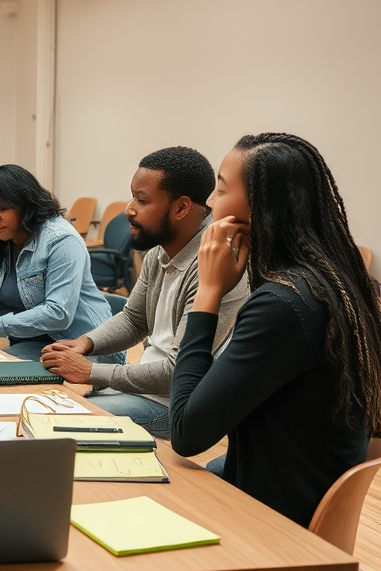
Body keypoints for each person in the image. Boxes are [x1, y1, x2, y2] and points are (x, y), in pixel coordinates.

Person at [169, 133, 381, 527]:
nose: (210, 204)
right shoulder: (332, 282)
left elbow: (186, 433)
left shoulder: (284, 304)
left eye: (219, 190)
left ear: (257, 209)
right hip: (302, 494)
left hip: (274, 530)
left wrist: (208, 293)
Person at [40, 147, 249, 439]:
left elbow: (180, 372)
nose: (129, 208)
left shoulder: (218, 268)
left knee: (64, 420)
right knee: (46, 390)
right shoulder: (159, 253)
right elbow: (134, 319)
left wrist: (91, 372)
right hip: (143, 387)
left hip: (174, 405)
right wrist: (84, 344)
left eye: (141, 199)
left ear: (181, 208)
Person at [0, 164, 117, 362]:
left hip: (82, 351)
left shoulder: (61, 240)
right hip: (32, 344)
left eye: (2, 208)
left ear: (25, 204)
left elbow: (58, 313)